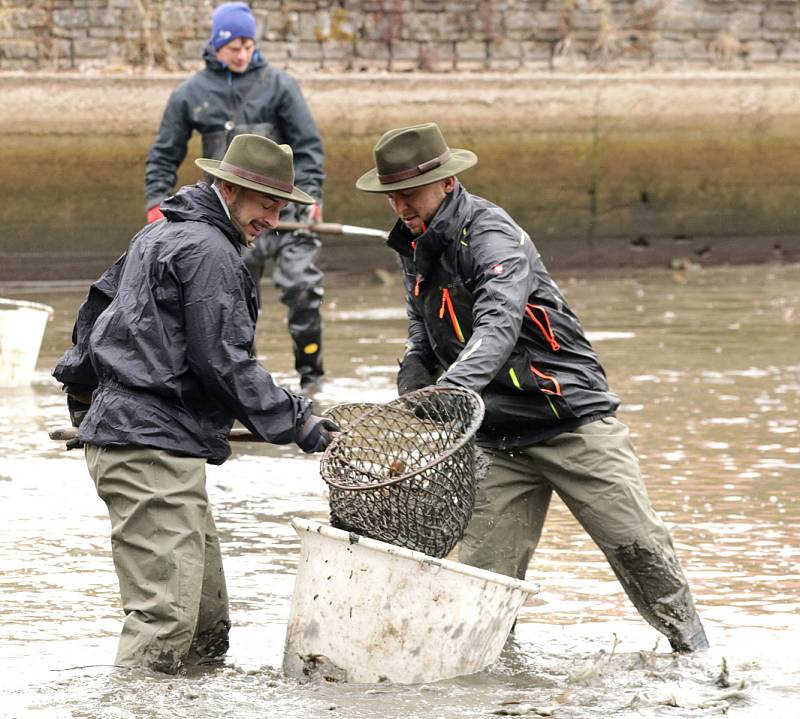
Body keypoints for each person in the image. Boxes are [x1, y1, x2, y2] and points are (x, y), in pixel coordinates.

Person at [355, 122, 709, 653]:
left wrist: (451, 390)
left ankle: (698, 660)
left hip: (570, 420)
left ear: (447, 184)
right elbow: (420, 321)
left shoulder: (493, 236)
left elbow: (498, 324)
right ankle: (496, 687)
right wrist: (414, 366)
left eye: (410, 193)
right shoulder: (413, 244)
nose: (401, 205)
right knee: (480, 589)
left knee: (639, 550)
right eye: (392, 196)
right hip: (496, 438)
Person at [53, 133, 339, 674]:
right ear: (229, 189)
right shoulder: (211, 253)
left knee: (206, 626)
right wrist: (297, 421)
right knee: (164, 623)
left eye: (280, 209)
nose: (273, 222)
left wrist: (85, 405)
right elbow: (224, 361)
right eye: (266, 207)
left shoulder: (157, 234)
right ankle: (132, 709)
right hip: (148, 453)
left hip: (153, 446)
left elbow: (93, 318)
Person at [144, 1, 326, 394]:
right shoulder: (189, 93)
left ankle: (312, 379)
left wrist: (312, 197)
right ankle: (246, 384)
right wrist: (156, 201)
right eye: (233, 47)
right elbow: (164, 154)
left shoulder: (280, 86)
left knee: (301, 286)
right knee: (234, 302)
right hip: (228, 217)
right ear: (216, 44)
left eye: (248, 45)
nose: (242, 54)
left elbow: (309, 147)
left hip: (285, 211)